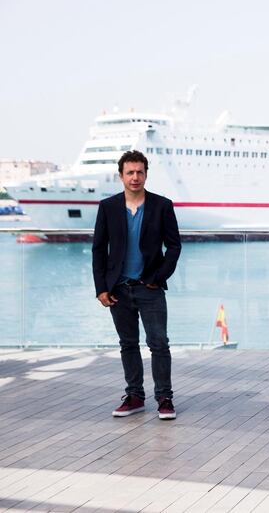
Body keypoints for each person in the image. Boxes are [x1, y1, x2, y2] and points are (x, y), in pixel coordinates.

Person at [92, 150, 182, 420]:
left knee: (159, 343)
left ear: (146, 174)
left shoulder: (161, 205)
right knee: (127, 344)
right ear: (121, 175)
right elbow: (99, 250)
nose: (135, 177)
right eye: (130, 172)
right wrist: (101, 288)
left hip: (149, 287)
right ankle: (134, 397)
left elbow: (174, 246)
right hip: (118, 288)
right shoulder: (107, 207)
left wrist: (157, 278)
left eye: (140, 172)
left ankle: (164, 399)